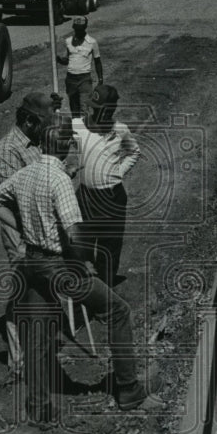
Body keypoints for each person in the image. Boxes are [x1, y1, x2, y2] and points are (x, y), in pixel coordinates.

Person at [0, 116, 161, 426]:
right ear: (66, 147)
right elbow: (75, 234)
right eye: (75, 147)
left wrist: (24, 230)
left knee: (38, 337)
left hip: (31, 264)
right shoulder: (60, 182)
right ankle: (129, 390)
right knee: (117, 311)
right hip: (57, 265)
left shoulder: (27, 173)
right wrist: (80, 263)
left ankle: (39, 408)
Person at [0, 91, 61, 384]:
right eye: (45, 122)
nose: (49, 128)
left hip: (42, 229)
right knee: (22, 296)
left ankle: (42, 348)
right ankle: (19, 364)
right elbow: (16, 201)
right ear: (30, 121)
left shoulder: (39, 141)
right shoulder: (7, 151)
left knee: (41, 290)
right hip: (21, 233)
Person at [71, 83, 140, 286]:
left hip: (112, 198)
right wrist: (55, 107)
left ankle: (106, 292)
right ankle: (87, 292)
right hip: (86, 199)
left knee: (109, 249)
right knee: (83, 247)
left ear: (110, 110)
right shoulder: (78, 127)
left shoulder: (120, 130)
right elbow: (53, 127)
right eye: (93, 108)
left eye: (101, 110)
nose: (95, 112)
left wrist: (119, 171)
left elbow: (134, 152)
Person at [56, 15, 103, 118]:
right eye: (76, 28)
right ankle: (77, 131)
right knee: (74, 108)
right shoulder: (68, 41)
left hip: (84, 79)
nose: (78, 31)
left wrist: (100, 80)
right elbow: (67, 60)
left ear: (85, 27)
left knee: (84, 108)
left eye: (80, 29)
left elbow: (97, 62)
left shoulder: (92, 42)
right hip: (71, 79)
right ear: (73, 28)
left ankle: (84, 130)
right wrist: (59, 60)